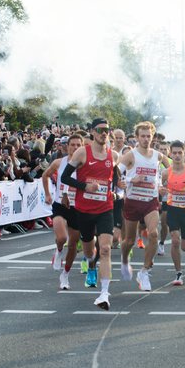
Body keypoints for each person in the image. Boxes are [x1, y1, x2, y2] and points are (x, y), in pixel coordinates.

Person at [60, 118, 126, 310]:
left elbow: (116, 180)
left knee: (105, 249)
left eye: (107, 130)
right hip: (83, 210)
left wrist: (119, 189)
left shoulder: (113, 155)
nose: (104, 133)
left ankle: (104, 294)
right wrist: (85, 186)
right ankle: (91, 264)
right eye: (100, 130)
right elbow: (65, 177)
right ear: (92, 132)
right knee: (90, 252)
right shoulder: (82, 153)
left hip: (105, 208)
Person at [119, 122, 170, 291]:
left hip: (151, 201)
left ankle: (144, 271)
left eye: (149, 136)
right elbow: (114, 174)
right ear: (136, 137)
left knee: (154, 234)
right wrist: (130, 180)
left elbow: (173, 171)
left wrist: (164, 186)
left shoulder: (158, 156)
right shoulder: (130, 155)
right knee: (129, 241)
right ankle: (125, 261)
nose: (146, 139)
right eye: (143, 136)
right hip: (133, 201)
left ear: (152, 136)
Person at [43, 134, 83, 290]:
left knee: (73, 246)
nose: (75, 148)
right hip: (60, 204)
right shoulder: (59, 163)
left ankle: (65, 275)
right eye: (72, 145)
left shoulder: (85, 166)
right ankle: (59, 250)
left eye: (78, 145)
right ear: (67, 146)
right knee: (62, 237)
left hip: (77, 207)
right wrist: (48, 194)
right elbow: (45, 175)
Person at [159, 141, 185, 286]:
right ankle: (178, 274)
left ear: (184, 153)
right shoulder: (165, 172)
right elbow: (158, 187)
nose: (177, 156)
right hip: (173, 209)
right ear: (170, 154)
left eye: (179, 153)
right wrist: (160, 192)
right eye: (174, 153)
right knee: (175, 240)